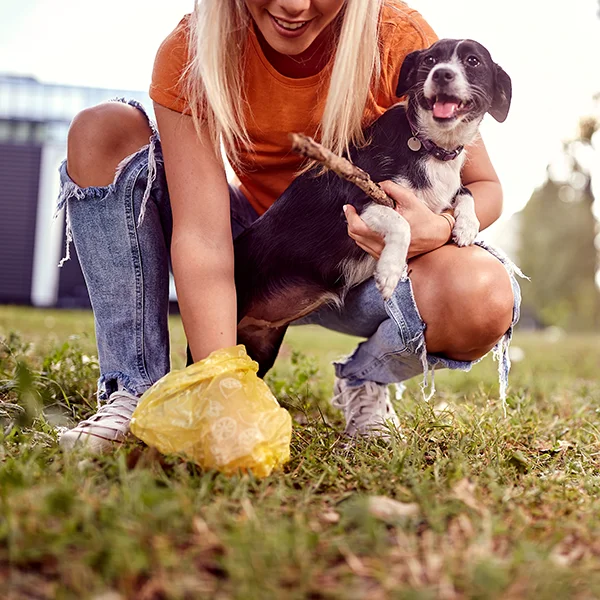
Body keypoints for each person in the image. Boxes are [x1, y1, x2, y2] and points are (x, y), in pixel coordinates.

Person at [58, 0, 520, 452]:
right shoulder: (193, 48)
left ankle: (365, 379)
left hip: (370, 266)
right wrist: (220, 388)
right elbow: (202, 234)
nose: (295, 5)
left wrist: (437, 229)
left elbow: (485, 185)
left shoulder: (398, 37)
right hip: (256, 246)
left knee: (484, 295)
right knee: (103, 129)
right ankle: (135, 387)